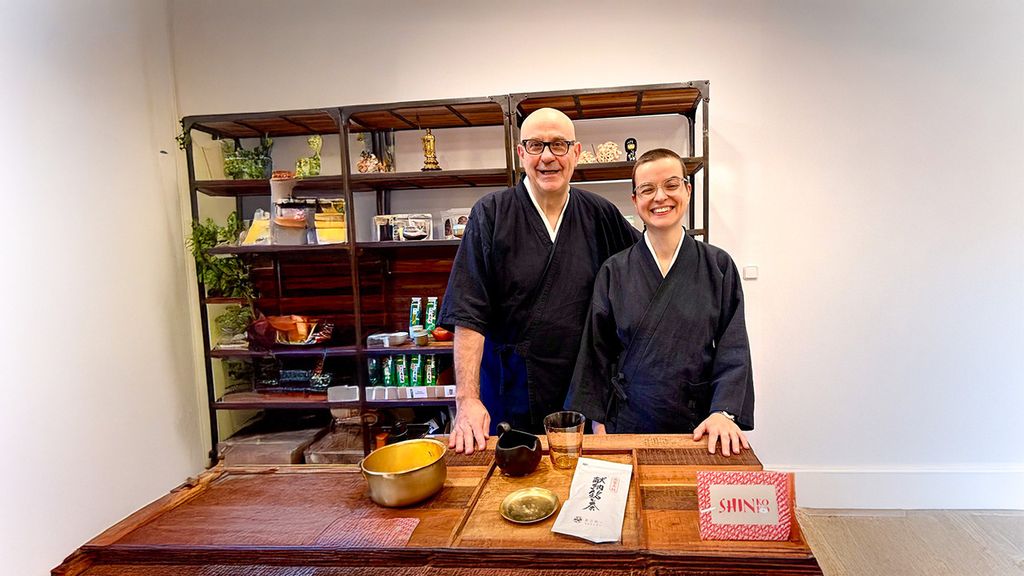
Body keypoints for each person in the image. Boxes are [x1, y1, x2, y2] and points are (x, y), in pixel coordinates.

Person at [438, 108, 640, 454]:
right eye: (535, 145)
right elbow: (468, 313)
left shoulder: (601, 214)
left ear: (576, 153)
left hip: (581, 386)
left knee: (578, 487)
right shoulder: (491, 213)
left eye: (559, 145)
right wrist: (467, 399)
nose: (547, 157)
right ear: (521, 154)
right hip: (509, 387)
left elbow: (646, 265)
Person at [564, 148, 754, 456]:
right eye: (647, 189)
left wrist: (724, 411)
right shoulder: (614, 270)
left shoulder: (718, 265)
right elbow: (596, 350)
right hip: (626, 422)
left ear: (687, 190)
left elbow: (733, 348)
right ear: (635, 200)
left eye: (671, 185)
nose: (660, 197)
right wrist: (597, 420)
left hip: (700, 425)